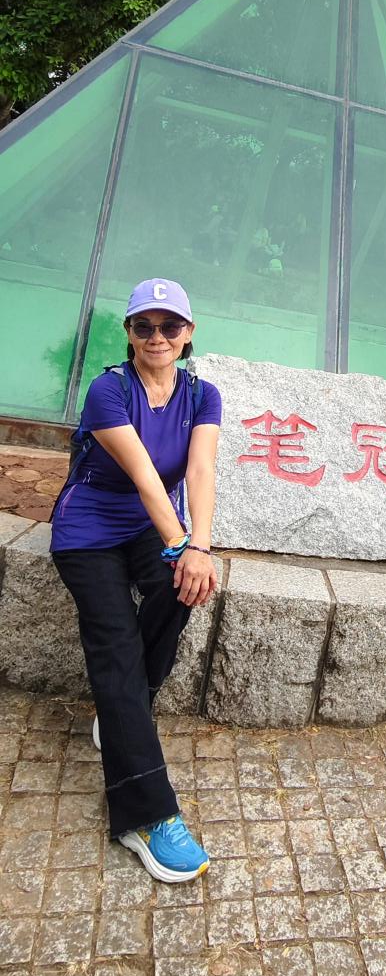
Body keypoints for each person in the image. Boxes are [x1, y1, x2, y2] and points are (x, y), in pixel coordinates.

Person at [51, 278, 221, 883]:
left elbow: (200, 470)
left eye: (169, 325)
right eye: (144, 326)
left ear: (188, 333)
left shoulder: (202, 395)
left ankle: (123, 712)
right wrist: (183, 544)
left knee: (182, 588)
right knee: (116, 647)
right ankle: (144, 817)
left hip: (151, 526)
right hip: (89, 530)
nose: (157, 337)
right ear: (128, 332)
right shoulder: (109, 390)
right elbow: (147, 477)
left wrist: (199, 547)